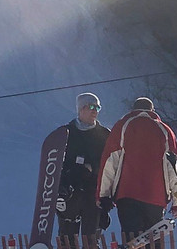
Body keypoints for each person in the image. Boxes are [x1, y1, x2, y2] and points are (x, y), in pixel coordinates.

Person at [95, 97, 177, 240]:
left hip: (127, 195)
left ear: (133, 109)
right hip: (156, 196)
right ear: (152, 110)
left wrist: (103, 194)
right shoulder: (165, 131)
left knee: (132, 240)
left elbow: (109, 163)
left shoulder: (122, 126)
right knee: (154, 240)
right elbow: (174, 168)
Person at [57, 93, 111, 247]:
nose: (95, 110)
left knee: (91, 239)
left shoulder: (104, 135)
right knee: (67, 239)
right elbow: (56, 164)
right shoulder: (66, 133)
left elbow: (110, 164)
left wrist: (108, 194)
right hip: (70, 192)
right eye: (91, 106)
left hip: (93, 193)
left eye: (97, 107)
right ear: (80, 109)